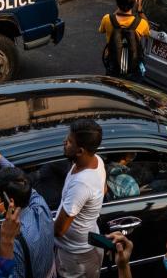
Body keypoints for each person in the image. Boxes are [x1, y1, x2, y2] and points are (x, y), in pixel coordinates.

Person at [0, 128, 56, 278]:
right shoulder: (39, 205)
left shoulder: (15, 242)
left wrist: (6, 240)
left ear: (9, 202)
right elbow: (20, 180)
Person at [54, 119, 106, 278]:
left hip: (75, 257)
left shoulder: (81, 184)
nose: (64, 142)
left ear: (80, 151)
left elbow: (59, 230)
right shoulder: (97, 160)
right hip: (87, 242)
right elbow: (104, 189)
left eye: (69, 142)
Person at [98, 0, 150, 80]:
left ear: (117, 3)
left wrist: (120, 7)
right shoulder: (141, 23)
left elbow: (101, 30)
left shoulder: (107, 19)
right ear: (134, 1)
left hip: (113, 66)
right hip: (133, 70)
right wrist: (139, 9)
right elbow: (147, 31)